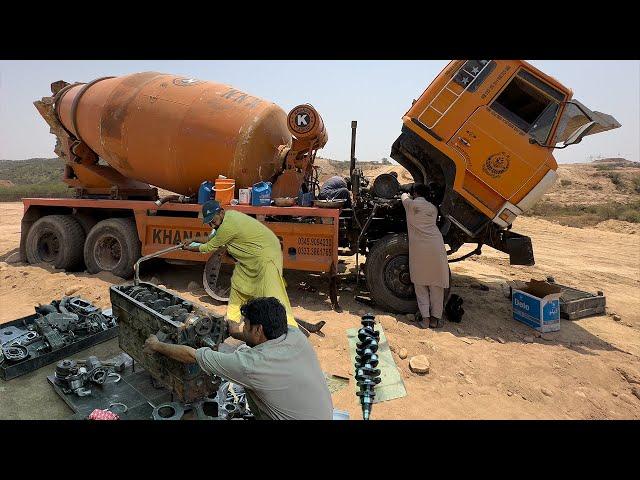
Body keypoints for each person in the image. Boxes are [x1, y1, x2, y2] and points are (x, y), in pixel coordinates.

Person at [143, 297, 333, 420]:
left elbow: (191, 355)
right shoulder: (293, 334)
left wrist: (157, 345)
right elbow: (256, 339)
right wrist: (236, 334)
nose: (242, 327)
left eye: (245, 325)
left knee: (243, 355)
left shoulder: (251, 365)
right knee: (244, 346)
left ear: (258, 329)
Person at [184, 200, 297, 340]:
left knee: (274, 296)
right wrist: (191, 240)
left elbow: (209, 247)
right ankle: (232, 322)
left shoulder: (228, 226)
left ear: (221, 212)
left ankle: (292, 331)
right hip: (250, 260)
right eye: (209, 223)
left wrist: (189, 248)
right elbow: (209, 238)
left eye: (213, 221)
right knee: (239, 285)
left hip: (266, 257)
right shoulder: (225, 220)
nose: (212, 225)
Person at [400, 183, 450, 328]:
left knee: (420, 284)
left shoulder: (410, 205)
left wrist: (405, 192)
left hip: (419, 249)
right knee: (436, 285)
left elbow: (403, 196)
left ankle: (425, 320)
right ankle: (435, 319)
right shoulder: (433, 208)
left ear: (415, 193)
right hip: (436, 245)